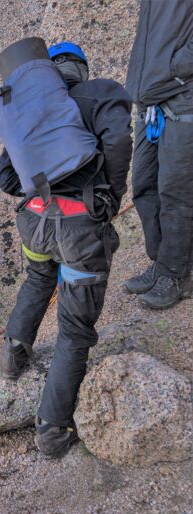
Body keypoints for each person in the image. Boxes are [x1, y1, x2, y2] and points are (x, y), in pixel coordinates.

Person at [0, 41, 133, 458]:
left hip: (34, 222)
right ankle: (52, 430)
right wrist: (108, 194)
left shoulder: (28, 114)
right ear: (81, 68)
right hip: (78, 230)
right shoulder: (101, 93)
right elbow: (119, 141)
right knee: (74, 330)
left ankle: (12, 356)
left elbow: (5, 177)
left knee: (38, 277)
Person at [124, 0, 193, 308]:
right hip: (150, 100)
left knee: (176, 193)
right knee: (144, 185)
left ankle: (177, 275)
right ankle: (162, 262)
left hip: (182, 98)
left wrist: (177, 69)